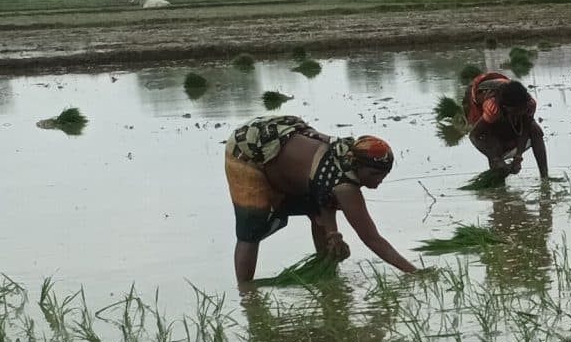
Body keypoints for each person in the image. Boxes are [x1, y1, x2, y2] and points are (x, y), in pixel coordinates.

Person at [223, 114, 419, 287]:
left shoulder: (345, 158)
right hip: (249, 147)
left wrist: (333, 234)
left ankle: (325, 273)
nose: (379, 181)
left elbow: (323, 197)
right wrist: (415, 273)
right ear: (357, 166)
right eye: (374, 174)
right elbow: (371, 238)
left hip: (286, 140)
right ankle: (246, 292)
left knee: (315, 210)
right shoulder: (345, 187)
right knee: (251, 227)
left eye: (384, 175)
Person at [464, 70, 548, 180]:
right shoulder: (493, 108)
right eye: (517, 110)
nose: (522, 112)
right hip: (485, 117)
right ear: (506, 107)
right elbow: (474, 136)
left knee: (536, 131)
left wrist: (518, 157)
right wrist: (494, 157)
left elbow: (525, 130)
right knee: (495, 146)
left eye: (523, 109)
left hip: (505, 112)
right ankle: (498, 183)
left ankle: (545, 177)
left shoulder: (530, 104)